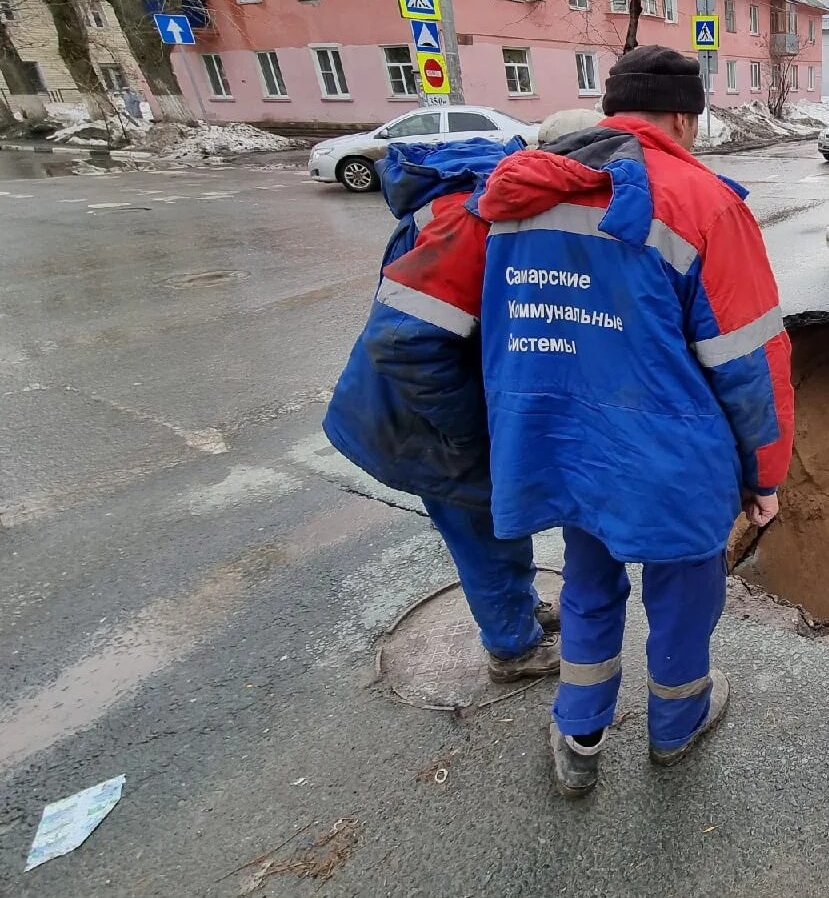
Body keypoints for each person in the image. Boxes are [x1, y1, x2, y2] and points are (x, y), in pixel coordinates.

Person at [372, 45, 794, 797]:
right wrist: (765, 475)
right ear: (682, 119)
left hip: (564, 449)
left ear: (613, 112)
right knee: (682, 598)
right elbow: (749, 362)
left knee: (588, 591)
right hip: (670, 459)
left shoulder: (518, 198)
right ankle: (676, 723)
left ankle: (580, 735)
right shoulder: (702, 201)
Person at [321, 135, 561, 683]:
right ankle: (513, 648)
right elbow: (402, 341)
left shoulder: (470, 204)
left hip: (419, 406)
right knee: (480, 527)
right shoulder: (475, 223)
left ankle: (517, 611)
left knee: (495, 520)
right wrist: (470, 430)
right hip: (421, 419)